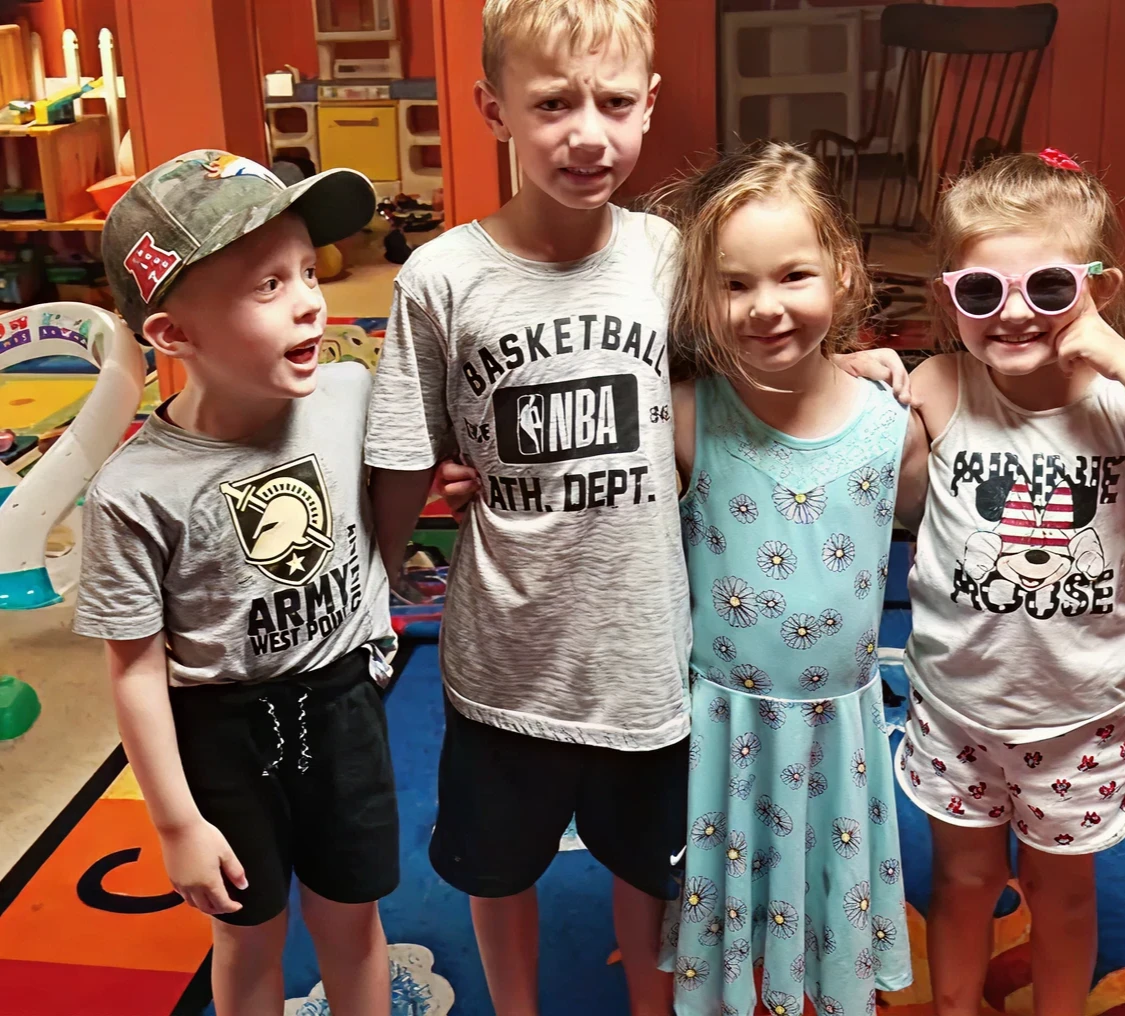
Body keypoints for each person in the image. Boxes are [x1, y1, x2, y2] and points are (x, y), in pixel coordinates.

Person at [364, 2, 691, 1012]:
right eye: (552, 103)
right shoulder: (441, 275)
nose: (586, 132)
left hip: (642, 652)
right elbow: (400, 448)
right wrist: (376, 585)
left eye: (613, 101)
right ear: (491, 109)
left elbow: (740, 383)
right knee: (496, 867)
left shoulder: (668, 256)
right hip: (505, 654)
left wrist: (841, 367)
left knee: (653, 867)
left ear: (649, 106)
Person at [900, 148, 1125, 1016]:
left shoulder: (1118, 400)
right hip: (954, 708)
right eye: (982, 292)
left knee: (1062, 894)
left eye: (1048, 290)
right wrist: (872, 377)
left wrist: (1123, 357)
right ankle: (955, 1005)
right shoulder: (940, 387)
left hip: (1082, 715)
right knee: (964, 880)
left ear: (1101, 289)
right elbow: (866, 489)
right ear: (949, 298)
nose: (1014, 315)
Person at [74, 151, 399, 1016]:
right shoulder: (133, 492)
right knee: (248, 932)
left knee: (353, 919)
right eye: (268, 287)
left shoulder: (348, 391)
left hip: (342, 709)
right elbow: (136, 669)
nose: (310, 299)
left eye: (304, 270)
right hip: (222, 731)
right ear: (175, 336)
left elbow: (408, 481)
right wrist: (176, 823)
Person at [657, 141, 925, 1016]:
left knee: (826, 901)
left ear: (845, 272)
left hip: (839, 732)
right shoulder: (690, 415)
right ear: (701, 294)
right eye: (736, 284)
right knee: (727, 919)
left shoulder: (896, 427)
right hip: (724, 727)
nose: (765, 307)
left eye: (793, 276)